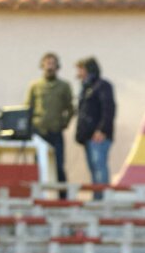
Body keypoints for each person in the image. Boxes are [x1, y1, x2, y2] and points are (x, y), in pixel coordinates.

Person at [26, 52, 74, 194]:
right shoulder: (35, 86)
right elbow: (28, 107)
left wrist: (64, 123)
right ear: (42, 65)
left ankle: (63, 197)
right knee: (38, 166)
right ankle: (37, 195)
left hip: (55, 131)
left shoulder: (64, 86)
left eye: (53, 63)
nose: (50, 66)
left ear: (57, 66)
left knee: (59, 166)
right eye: (47, 63)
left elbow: (70, 108)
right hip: (39, 131)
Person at [74, 56, 115, 201]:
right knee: (93, 169)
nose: (78, 72)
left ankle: (102, 198)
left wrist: (101, 130)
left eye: (80, 69)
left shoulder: (102, 86)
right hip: (87, 136)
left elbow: (108, 109)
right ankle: (97, 196)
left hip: (98, 136)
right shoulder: (86, 88)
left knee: (99, 167)